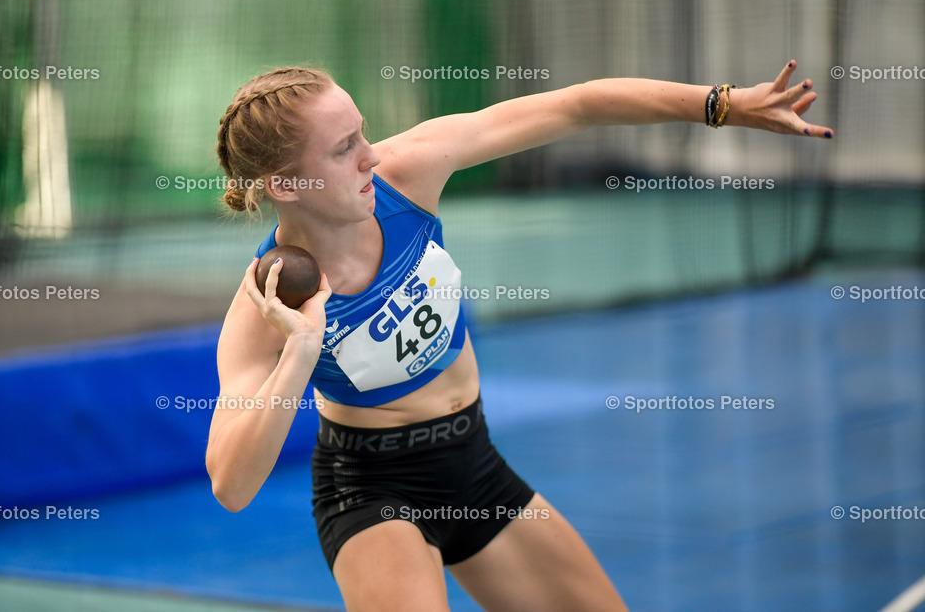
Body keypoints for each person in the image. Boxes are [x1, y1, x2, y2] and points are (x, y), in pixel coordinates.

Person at [206, 62, 832, 611]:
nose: (371, 153)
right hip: (372, 490)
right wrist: (301, 351)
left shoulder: (407, 175)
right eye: (344, 148)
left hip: (474, 463)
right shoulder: (264, 308)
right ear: (287, 185)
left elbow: (575, 105)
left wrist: (720, 104)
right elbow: (232, 488)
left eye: (364, 132)